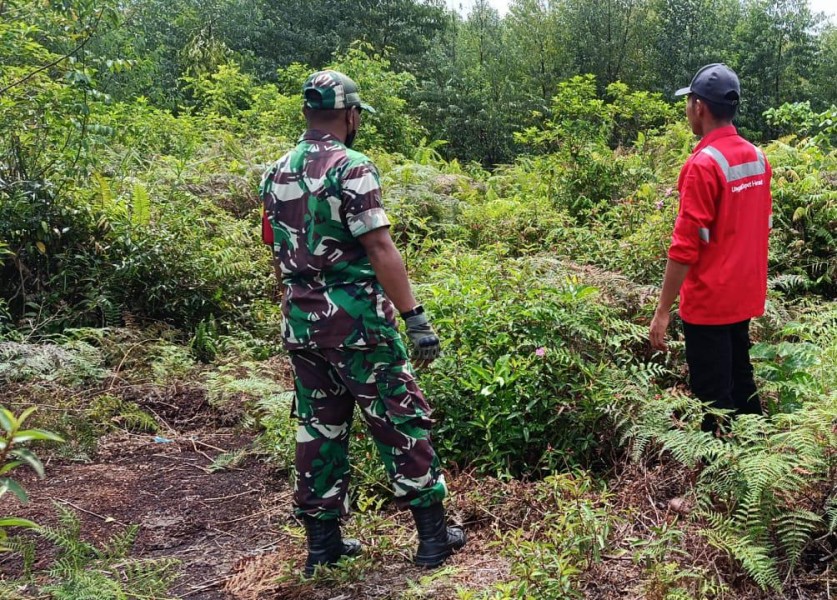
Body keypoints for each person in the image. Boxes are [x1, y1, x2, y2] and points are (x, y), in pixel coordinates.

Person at [260, 69, 465, 577]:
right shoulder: (353, 167)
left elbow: (276, 247)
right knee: (399, 419)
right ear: (350, 116)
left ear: (308, 113)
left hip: (302, 326)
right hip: (358, 328)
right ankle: (433, 541)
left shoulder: (275, 171)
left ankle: (322, 546)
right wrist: (415, 318)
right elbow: (378, 245)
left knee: (318, 429)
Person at [649, 63, 773, 433]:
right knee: (740, 376)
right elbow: (758, 228)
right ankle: (757, 458)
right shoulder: (758, 157)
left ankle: (721, 477)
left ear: (699, 107)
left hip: (709, 302)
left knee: (713, 398)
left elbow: (684, 247)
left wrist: (662, 311)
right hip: (744, 294)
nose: (687, 109)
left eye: (688, 101)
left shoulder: (703, 165)